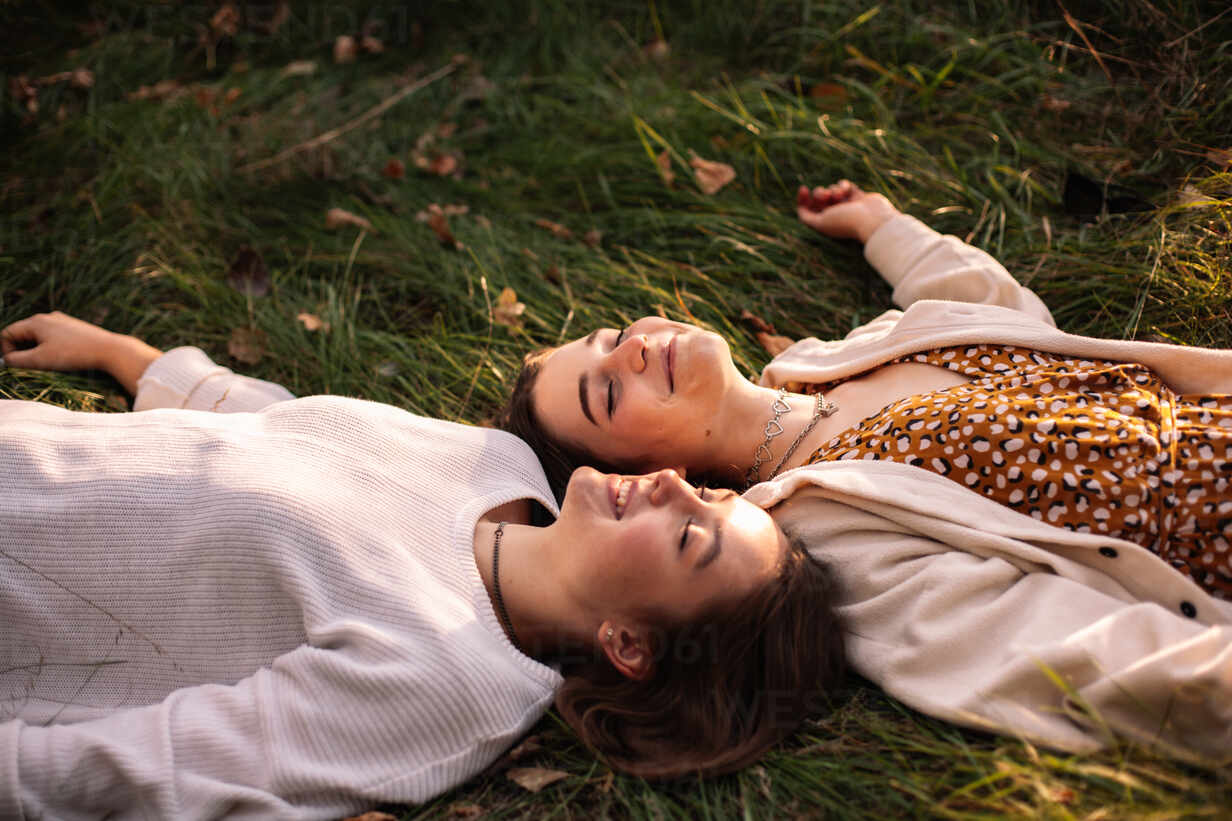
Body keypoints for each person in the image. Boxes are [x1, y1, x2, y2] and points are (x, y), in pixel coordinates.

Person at [0, 312, 846, 819]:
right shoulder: (503, 464)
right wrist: (131, 357)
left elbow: (167, 768)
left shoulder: (454, 681)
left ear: (628, 643)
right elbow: (290, 432)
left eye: (691, 535)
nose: (671, 485)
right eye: (708, 492)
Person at [500, 180, 1232, 764]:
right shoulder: (825, 537)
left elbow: (1001, 314)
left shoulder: (831, 359)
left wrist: (885, 230)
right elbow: (1048, 651)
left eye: (614, 336)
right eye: (607, 393)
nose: (632, 349)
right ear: (649, 478)